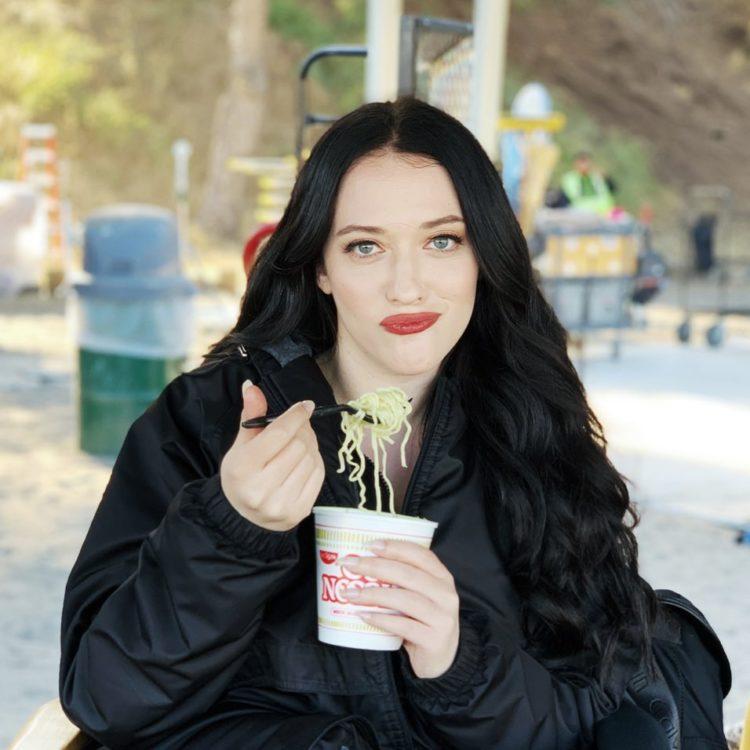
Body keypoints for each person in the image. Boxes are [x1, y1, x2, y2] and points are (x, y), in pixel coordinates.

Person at [59, 97, 730, 749]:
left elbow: (591, 714)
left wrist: (460, 665)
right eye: (365, 247)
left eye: (442, 241)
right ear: (320, 267)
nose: (408, 286)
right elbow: (106, 702)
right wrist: (233, 530)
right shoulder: (211, 421)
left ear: (482, 256)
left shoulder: (533, 425)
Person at [559, 151, 617, 216]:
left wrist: (607, 178)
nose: (585, 165)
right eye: (582, 162)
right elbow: (571, 196)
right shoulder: (570, 178)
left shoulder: (598, 175)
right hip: (582, 212)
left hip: (606, 211)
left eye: (586, 161)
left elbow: (613, 189)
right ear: (575, 163)